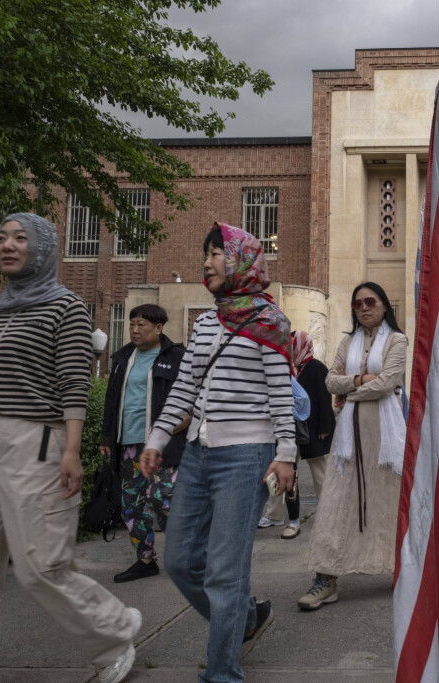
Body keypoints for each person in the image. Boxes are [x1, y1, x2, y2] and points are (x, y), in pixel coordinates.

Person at [0, 213, 140, 683]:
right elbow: (9, 376)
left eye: (21, 238)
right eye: (1, 237)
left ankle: (113, 635)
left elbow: (72, 381)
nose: (7, 245)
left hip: (40, 440)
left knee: (41, 566)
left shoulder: (67, 307)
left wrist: (72, 451)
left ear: (42, 249)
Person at [138, 222, 297, 682]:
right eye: (205, 255)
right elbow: (185, 388)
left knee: (225, 573)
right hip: (196, 453)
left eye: (215, 254)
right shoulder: (207, 322)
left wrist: (286, 452)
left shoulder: (270, 321)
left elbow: (281, 394)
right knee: (179, 561)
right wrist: (157, 439)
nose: (206, 263)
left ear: (241, 260)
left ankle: (222, 672)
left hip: (247, 457)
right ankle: (244, 617)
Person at [299, 282, 407, 610]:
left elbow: (388, 382)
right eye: (357, 304)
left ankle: (404, 570)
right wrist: (360, 381)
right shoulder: (348, 342)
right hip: (348, 435)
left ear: (384, 305)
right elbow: (330, 381)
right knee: (336, 501)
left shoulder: (398, 340)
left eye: (370, 302)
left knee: (392, 501)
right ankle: (326, 577)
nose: (363, 308)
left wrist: (350, 391)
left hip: (385, 436)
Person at [100, 304, 189, 583]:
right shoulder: (123, 358)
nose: (135, 330)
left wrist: (187, 418)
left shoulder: (177, 357)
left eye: (141, 325)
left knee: (164, 499)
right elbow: (112, 400)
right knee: (132, 504)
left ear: (159, 328)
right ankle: (145, 560)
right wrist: (106, 436)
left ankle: (192, 553)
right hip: (129, 443)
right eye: (132, 325)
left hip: (161, 444)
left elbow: (196, 392)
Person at [259, 331, 335, 538]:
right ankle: (273, 514)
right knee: (281, 472)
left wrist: (324, 428)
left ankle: (329, 513)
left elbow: (324, 399)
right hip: (291, 431)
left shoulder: (316, 367)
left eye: (294, 345)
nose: (291, 349)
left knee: (320, 474)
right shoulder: (291, 368)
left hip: (313, 430)